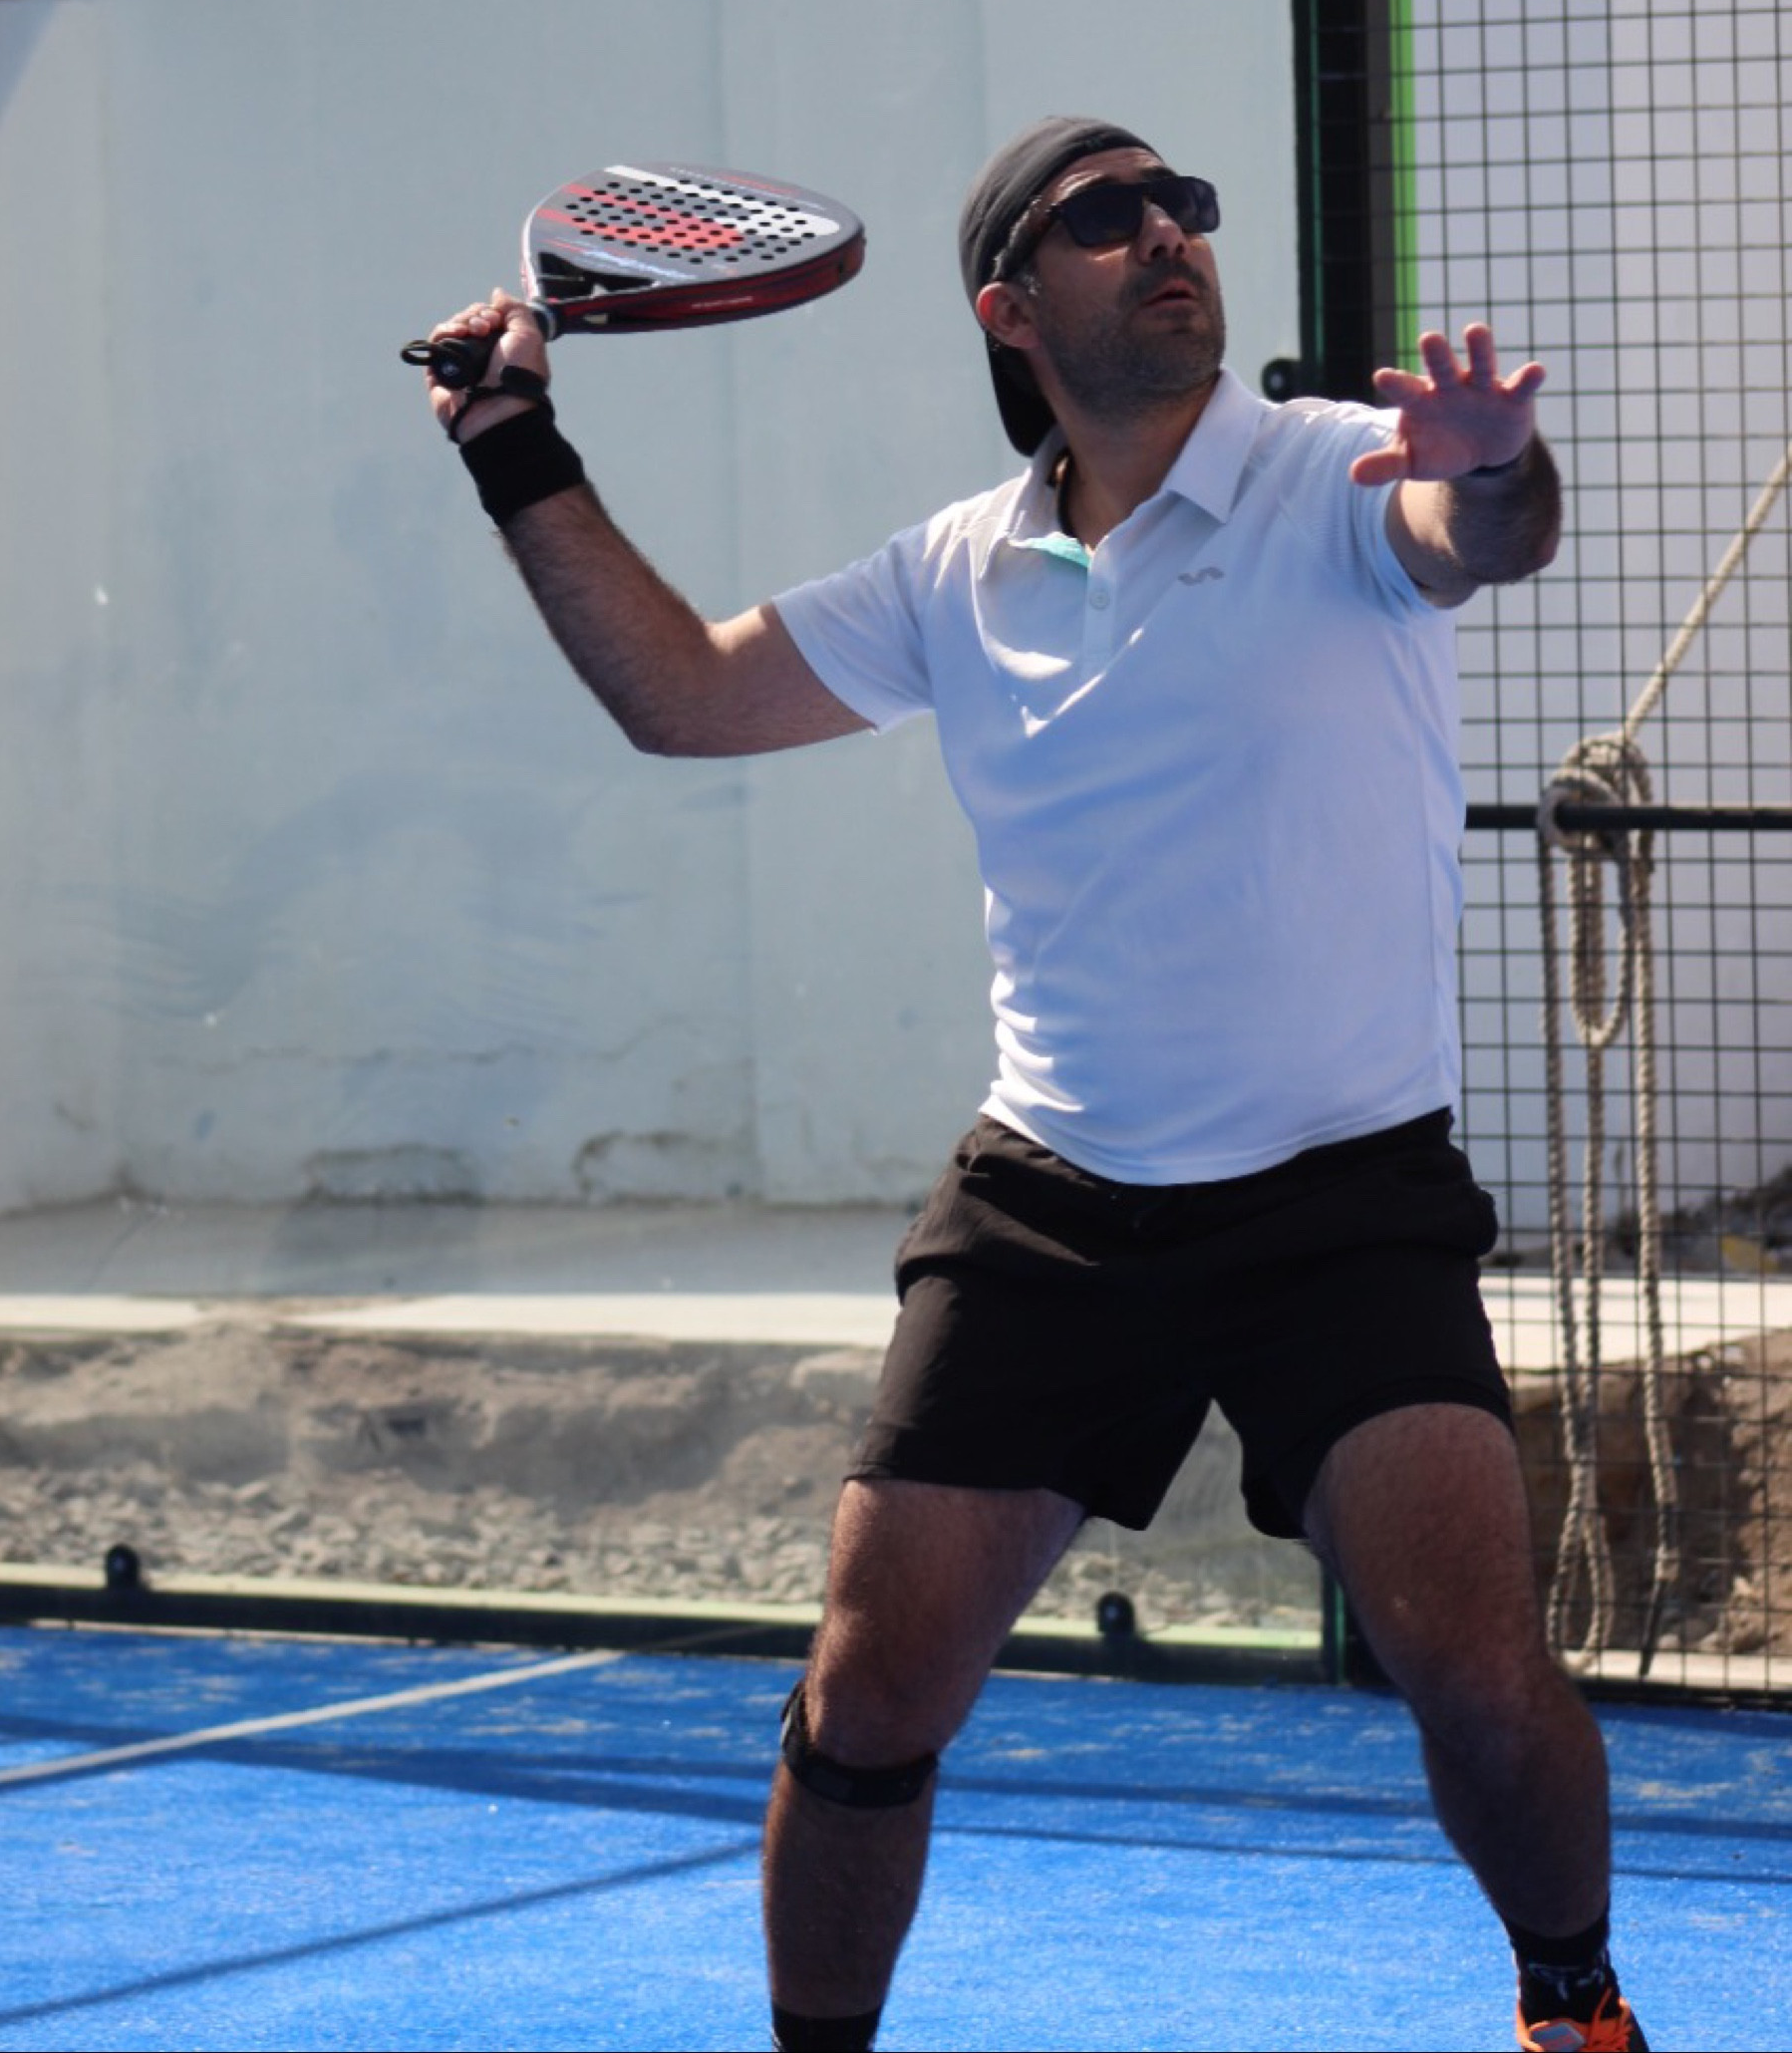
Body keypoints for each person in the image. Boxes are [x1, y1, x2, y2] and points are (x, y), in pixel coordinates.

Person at [416, 115, 1646, 2053]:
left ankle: (1575, 2005)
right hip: (1053, 1203)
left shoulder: (1339, 470)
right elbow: (684, 692)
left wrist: (1495, 470)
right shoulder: (954, 572)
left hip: (1345, 1200)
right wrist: (513, 444)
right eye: (1107, 216)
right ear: (1010, 305)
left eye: (1184, 207)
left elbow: (1473, 534)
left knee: (1479, 1678)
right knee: (865, 1693)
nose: (1168, 235)